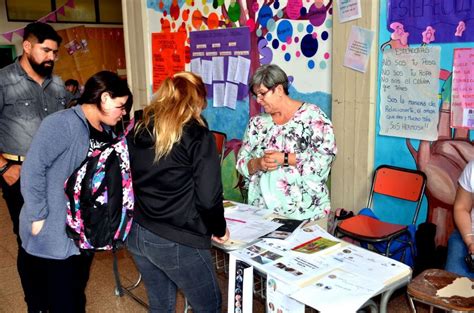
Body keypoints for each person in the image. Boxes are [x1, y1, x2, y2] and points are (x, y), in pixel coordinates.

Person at [19, 71, 132, 311]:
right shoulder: (62, 123)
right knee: (53, 300)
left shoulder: (105, 130)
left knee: (74, 295)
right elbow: (32, 168)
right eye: (120, 106)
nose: (123, 112)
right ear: (104, 98)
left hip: (82, 235)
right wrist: (38, 214)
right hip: (53, 230)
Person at [126, 71, 229, 312]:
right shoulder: (196, 134)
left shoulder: (139, 128)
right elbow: (208, 198)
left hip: (138, 232)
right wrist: (219, 228)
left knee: (161, 305)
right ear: (197, 101)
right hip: (177, 238)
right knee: (209, 305)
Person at [0, 21, 70, 312]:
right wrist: (4, 168)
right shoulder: (3, 81)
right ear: (27, 46)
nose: (51, 57)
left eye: (54, 52)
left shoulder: (57, 84)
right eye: (45, 50)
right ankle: (37, 304)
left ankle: (57, 297)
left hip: (57, 175)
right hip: (19, 174)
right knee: (30, 239)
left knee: (57, 236)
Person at [236, 64, 337, 220]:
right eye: (256, 95)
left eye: (262, 93)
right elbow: (241, 161)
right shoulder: (257, 123)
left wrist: (284, 158)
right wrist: (258, 163)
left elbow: (324, 160)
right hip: (263, 212)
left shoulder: (312, 117)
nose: (259, 100)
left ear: (279, 89)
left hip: (306, 212)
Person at [445, 160, 474, 278]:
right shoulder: (473, 167)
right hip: (467, 234)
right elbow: (461, 207)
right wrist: (470, 241)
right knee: (452, 288)